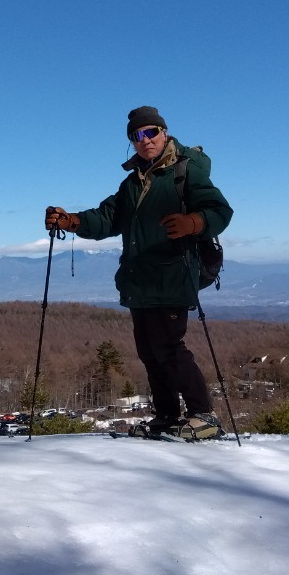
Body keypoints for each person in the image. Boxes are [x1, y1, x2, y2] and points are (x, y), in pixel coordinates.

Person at [45, 106, 233, 440]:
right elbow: (107, 217)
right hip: (140, 279)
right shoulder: (133, 183)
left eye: (150, 132)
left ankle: (204, 416)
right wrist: (71, 220)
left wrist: (195, 222)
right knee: (149, 350)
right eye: (137, 135)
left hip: (174, 276)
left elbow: (219, 209)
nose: (144, 140)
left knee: (170, 347)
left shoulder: (186, 172)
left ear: (164, 132)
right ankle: (167, 415)